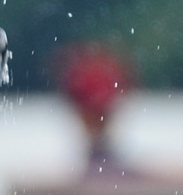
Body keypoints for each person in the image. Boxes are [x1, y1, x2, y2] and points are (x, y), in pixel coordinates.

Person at [55, 43, 134, 174]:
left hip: (97, 106)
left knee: (98, 137)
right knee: (98, 137)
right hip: (97, 106)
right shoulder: (98, 69)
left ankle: (100, 163)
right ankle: (100, 163)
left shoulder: (86, 71)